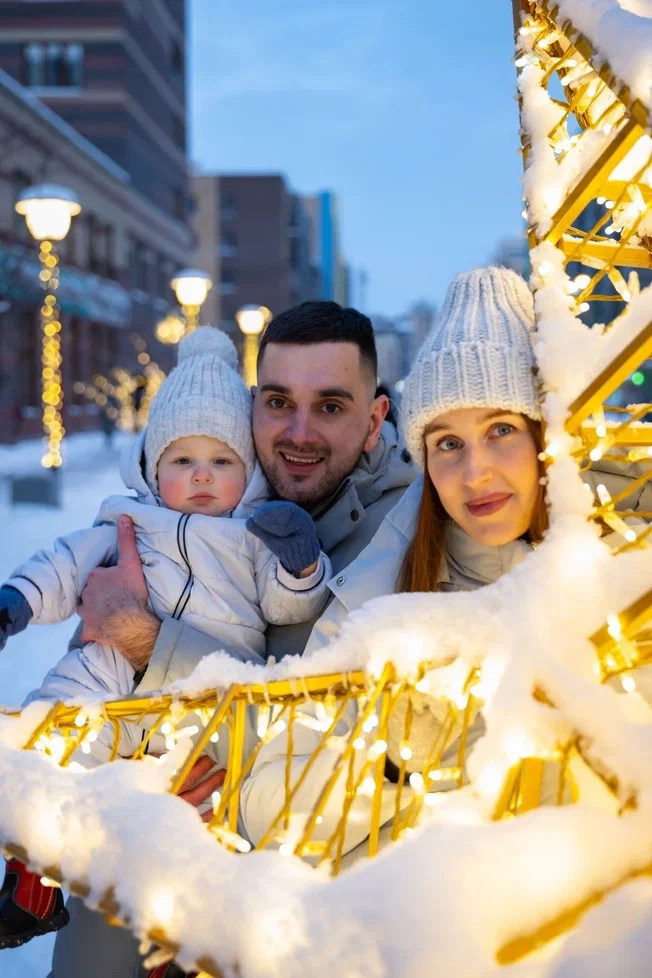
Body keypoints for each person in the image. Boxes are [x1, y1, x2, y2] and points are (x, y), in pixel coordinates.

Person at [43, 301, 417, 978]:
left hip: (297, 892)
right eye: (278, 402)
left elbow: (338, 726)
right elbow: (103, 651)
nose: (298, 433)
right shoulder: (211, 502)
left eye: (331, 406)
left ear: (374, 420)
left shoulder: (402, 536)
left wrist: (151, 643)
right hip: (143, 836)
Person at [239, 266, 652, 860]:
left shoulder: (627, 567)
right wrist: (400, 767)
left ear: (550, 437)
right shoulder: (384, 594)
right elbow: (276, 811)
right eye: (448, 443)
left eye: (502, 430)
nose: (475, 473)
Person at [0, 327, 332, 952]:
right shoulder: (128, 521)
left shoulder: (254, 534)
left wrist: (298, 560)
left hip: (201, 691)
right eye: (183, 461)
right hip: (106, 674)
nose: (202, 477)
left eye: (222, 461)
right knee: (49, 740)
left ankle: (170, 948)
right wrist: (16, 602)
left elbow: (291, 603)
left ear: (248, 470)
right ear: (154, 466)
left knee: (181, 830)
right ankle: (31, 885)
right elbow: (66, 565)